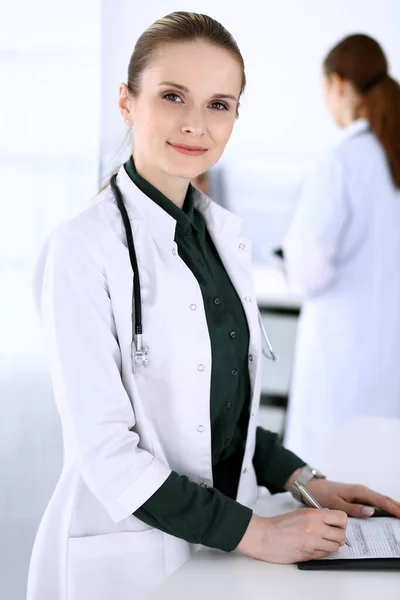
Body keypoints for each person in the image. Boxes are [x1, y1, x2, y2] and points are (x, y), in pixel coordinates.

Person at [27, 16, 400, 600]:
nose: (196, 124)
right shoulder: (82, 249)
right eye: (172, 96)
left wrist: (303, 480)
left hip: (222, 550)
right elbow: (108, 455)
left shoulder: (218, 238)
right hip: (133, 558)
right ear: (126, 102)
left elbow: (222, 417)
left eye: (219, 104)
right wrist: (255, 533)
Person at [283, 34, 400, 461]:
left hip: (342, 361)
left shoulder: (342, 161)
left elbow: (307, 270)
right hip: (390, 359)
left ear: (337, 84)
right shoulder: (390, 157)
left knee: (329, 488)